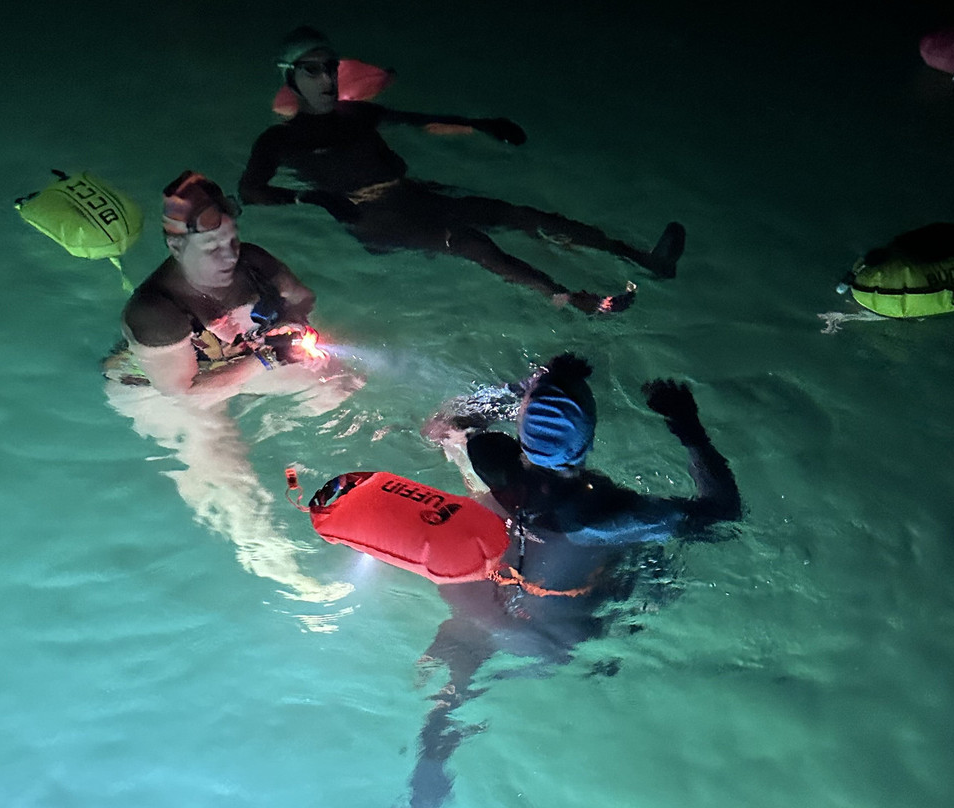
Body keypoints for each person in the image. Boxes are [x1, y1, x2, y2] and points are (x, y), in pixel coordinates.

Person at [406, 353, 742, 807]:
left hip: (481, 607)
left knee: (450, 702)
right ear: (586, 439)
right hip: (556, 636)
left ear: (521, 434)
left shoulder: (494, 464)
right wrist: (687, 426)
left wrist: (528, 387)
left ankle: (426, 780)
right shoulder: (606, 518)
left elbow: (441, 425)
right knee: (654, 576)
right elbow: (723, 512)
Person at [239, 26, 686, 316]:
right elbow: (252, 191)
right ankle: (573, 300)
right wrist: (310, 197)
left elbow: (420, 121)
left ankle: (644, 261)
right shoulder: (281, 140)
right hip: (373, 219)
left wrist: (479, 125)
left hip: (411, 194)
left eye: (330, 68)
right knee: (470, 242)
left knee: (522, 215)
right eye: (312, 70)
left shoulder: (357, 116)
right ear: (290, 77)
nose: (326, 78)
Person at [104, 171, 361, 606]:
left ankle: (280, 433)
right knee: (227, 474)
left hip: (242, 359)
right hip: (157, 386)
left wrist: (291, 327)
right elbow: (184, 392)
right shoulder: (155, 312)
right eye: (212, 247)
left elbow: (302, 298)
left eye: (232, 241)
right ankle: (282, 567)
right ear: (176, 245)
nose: (228, 255)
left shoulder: (252, 263)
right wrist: (263, 359)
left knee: (340, 382)